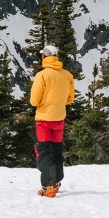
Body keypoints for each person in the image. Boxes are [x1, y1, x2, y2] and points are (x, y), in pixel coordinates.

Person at [30, 44, 75, 198]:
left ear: (44, 57)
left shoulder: (42, 75)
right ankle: (56, 181)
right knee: (56, 151)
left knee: (43, 151)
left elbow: (34, 101)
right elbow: (70, 99)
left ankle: (49, 187)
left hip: (43, 119)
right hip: (59, 119)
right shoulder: (67, 75)